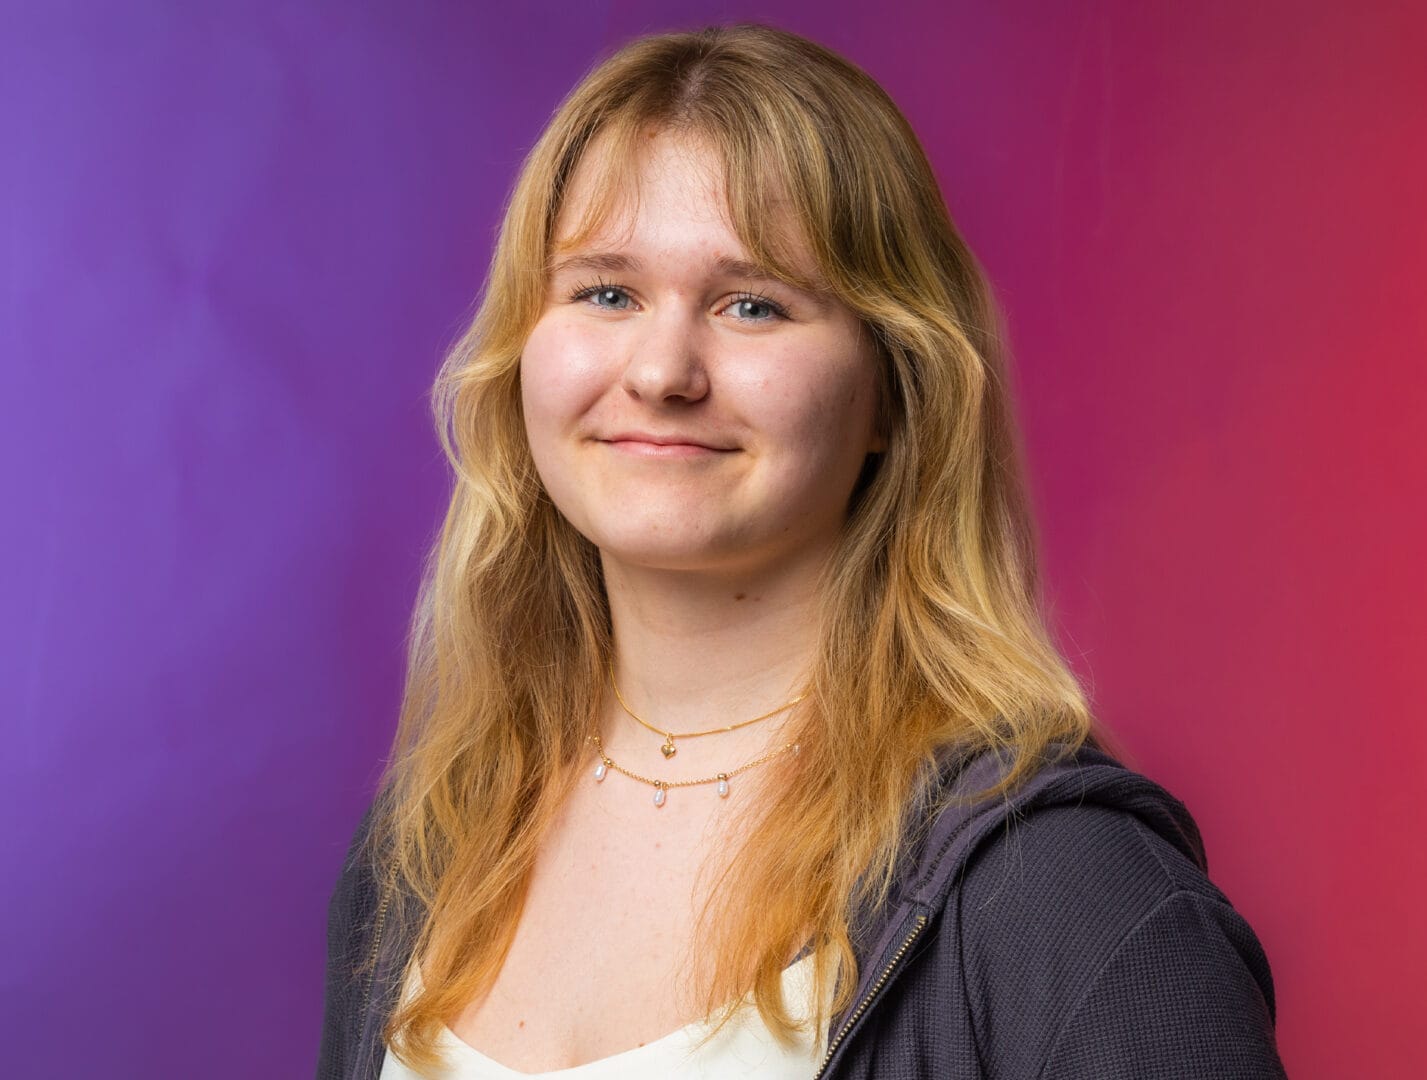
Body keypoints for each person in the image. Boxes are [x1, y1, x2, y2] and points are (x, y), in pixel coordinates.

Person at [317, 23, 1287, 1080]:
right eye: (605, 291)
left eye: (752, 304)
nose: (661, 371)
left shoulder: (1069, 894)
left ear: (890, 390)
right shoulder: (424, 853)